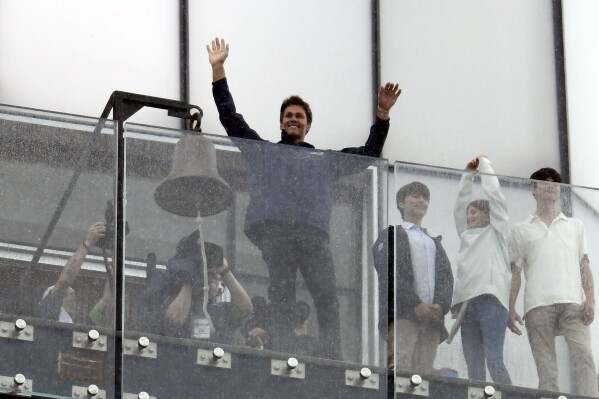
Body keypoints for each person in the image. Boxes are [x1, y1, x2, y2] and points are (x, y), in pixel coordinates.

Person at [206, 37, 401, 360]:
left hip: (312, 235)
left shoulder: (324, 160)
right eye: (288, 116)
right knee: (281, 295)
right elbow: (231, 118)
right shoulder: (264, 152)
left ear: (307, 126)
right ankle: (282, 354)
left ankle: (331, 359)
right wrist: (218, 69)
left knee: (327, 297)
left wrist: (382, 114)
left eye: (299, 116)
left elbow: (368, 154)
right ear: (281, 123)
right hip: (276, 232)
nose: (293, 119)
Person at [508, 167, 598, 396]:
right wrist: (510, 307)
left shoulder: (575, 226)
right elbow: (515, 273)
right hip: (537, 304)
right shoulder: (520, 230)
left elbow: (584, 265)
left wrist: (590, 299)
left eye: (555, 184)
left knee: (584, 355)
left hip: (571, 301)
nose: (551, 187)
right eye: (545, 183)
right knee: (546, 369)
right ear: (534, 189)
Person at [374, 182, 453, 372]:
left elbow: (446, 278)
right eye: (416, 196)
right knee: (400, 369)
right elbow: (389, 273)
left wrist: (441, 306)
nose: (422, 200)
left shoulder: (434, 242)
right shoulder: (391, 235)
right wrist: (414, 304)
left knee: (424, 376)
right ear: (401, 203)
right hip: (403, 315)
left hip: (432, 321)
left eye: (425, 198)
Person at [450, 156, 512, 384]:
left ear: (487, 215)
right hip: (467, 305)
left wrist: (484, 167)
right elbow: (459, 205)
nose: (468, 217)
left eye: (474, 213)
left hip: (491, 301)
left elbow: (496, 199)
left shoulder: (497, 233)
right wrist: (467, 175)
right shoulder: (465, 235)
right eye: (468, 214)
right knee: (473, 366)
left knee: (494, 359)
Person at [139, 230, 253, 344]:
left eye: (217, 277)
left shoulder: (220, 311)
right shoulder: (174, 302)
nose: (214, 279)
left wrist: (225, 271)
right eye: (209, 275)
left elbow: (246, 309)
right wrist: (189, 279)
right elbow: (174, 321)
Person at [38, 222, 106, 323]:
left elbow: (105, 301)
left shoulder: (80, 326)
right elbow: (64, 281)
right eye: (64, 296)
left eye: (73, 297)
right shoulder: (47, 313)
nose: (71, 300)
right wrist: (87, 243)